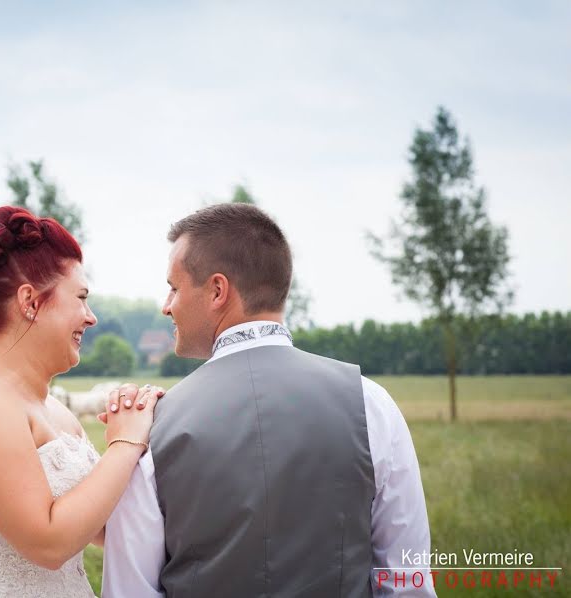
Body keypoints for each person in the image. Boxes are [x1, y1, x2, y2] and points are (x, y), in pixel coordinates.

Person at [102, 203, 435, 597]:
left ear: (217, 291)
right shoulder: (370, 404)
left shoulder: (153, 427)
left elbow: (129, 591)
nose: (166, 304)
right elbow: (405, 580)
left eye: (174, 287)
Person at [0, 206, 162, 597]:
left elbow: (100, 526)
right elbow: (48, 543)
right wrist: (124, 444)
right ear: (30, 300)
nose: (91, 317)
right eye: (81, 298)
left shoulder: (60, 414)